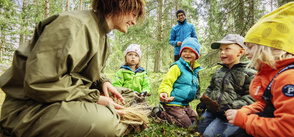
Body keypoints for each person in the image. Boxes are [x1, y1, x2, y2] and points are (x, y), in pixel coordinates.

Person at [0, 0, 145, 136]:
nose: (134, 21)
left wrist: (103, 82)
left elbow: (89, 72)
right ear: (119, 4)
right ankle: (123, 122)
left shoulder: (102, 35)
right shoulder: (73, 24)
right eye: (133, 14)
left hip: (60, 97)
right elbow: (40, 82)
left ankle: (120, 112)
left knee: (126, 93)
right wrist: (94, 98)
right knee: (104, 123)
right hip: (30, 108)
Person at [225, 1, 294, 137]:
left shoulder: (293, 78)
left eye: (251, 47)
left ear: (269, 47)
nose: (246, 52)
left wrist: (245, 120)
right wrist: (246, 110)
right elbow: (269, 104)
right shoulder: (277, 73)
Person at [196, 34, 257, 137]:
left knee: (209, 135)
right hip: (212, 111)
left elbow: (250, 97)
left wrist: (230, 107)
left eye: (227, 49)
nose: (222, 52)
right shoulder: (219, 71)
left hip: (230, 114)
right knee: (194, 129)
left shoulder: (249, 73)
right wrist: (204, 101)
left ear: (241, 52)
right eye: (220, 50)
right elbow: (211, 88)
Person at [153, 37, 202, 129]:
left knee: (197, 123)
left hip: (184, 103)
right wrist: (164, 92)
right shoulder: (177, 67)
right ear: (181, 53)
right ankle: (159, 113)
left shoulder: (194, 70)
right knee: (187, 125)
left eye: (191, 51)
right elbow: (167, 81)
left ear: (196, 55)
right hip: (173, 103)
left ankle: (183, 115)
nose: (187, 54)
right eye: (185, 51)